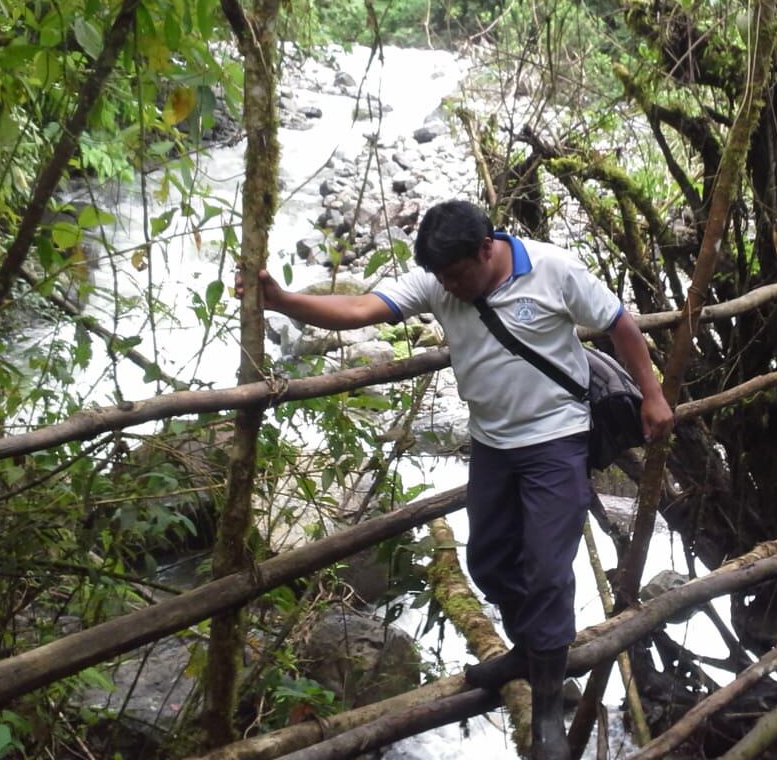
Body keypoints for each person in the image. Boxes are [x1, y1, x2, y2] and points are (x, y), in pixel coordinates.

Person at [237, 200, 673, 760]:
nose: (448, 287)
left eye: (456, 274)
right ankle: (532, 648)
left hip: (556, 440)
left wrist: (654, 394)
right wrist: (285, 301)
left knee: (545, 568)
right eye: (440, 277)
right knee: (489, 562)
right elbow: (362, 308)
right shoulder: (441, 280)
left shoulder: (553, 269)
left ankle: (546, 712)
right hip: (492, 444)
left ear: (486, 248)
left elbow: (618, 322)